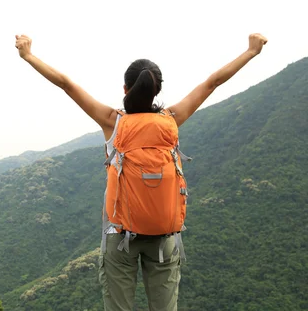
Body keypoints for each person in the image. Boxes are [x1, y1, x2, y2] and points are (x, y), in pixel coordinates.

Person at [14, 33, 268, 311]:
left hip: (119, 233)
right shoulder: (172, 119)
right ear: (157, 90)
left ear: (125, 89)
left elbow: (66, 84)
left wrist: (28, 56)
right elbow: (212, 82)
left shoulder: (112, 122)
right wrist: (251, 51)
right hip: (164, 235)